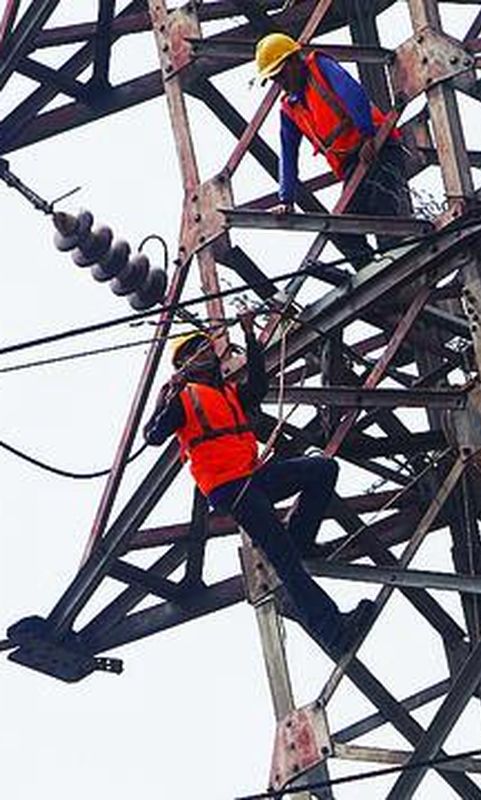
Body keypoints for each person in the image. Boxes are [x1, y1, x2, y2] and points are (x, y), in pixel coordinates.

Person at [143, 312, 369, 655]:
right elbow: (153, 435)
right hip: (230, 487)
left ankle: (301, 540)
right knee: (285, 562)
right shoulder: (183, 398)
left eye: (204, 347)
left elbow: (259, 386)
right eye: (194, 351)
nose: (203, 353)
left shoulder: (226, 392)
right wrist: (164, 399)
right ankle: (335, 632)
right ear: (184, 364)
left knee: (322, 470)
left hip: (251, 477)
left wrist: (250, 335)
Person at [255, 32, 411, 268]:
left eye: (281, 75)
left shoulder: (320, 66)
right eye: (275, 79)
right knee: (342, 230)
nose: (281, 83)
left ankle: (395, 266)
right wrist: (286, 198)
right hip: (352, 166)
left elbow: (353, 93)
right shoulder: (290, 108)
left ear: (294, 61)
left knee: (384, 216)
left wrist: (368, 135)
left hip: (379, 148)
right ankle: (371, 271)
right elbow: (288, 154)